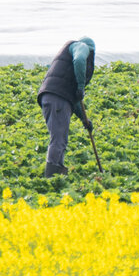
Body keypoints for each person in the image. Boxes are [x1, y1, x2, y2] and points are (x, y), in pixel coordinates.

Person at [37, 36, 95, 177]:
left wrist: (84, 120)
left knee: (60, 137)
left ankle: (58, 171)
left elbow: (74, 100)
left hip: (50, 97)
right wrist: (81, 85)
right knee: (58, 139)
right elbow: (80, 59)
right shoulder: (80, 46)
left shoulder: (66, 67)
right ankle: (51, 176)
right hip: (57, 98)